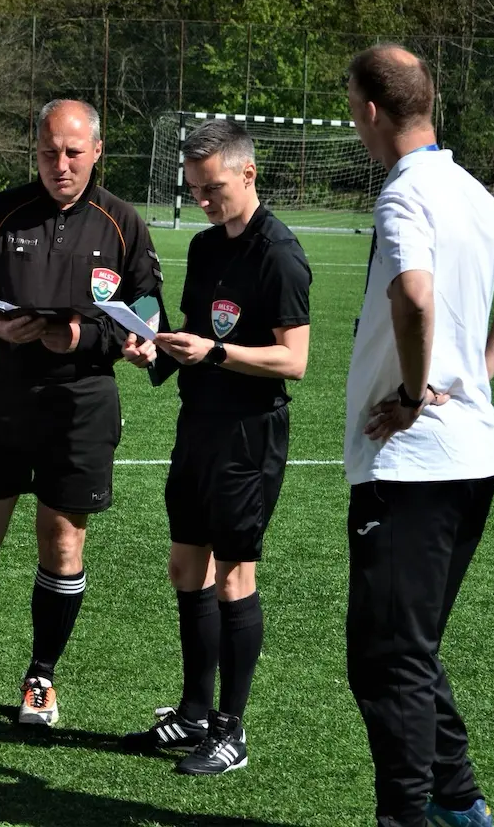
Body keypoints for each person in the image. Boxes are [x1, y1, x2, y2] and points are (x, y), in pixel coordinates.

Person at [0, 98, 168, 727]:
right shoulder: (2, 212)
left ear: (97, 151)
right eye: (49, 152)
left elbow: (148, 311)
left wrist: (87, 339)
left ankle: (41, 679)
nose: (60, 164)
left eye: (73, 152)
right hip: (1, 395)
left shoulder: (122, 222)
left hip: (81, 403)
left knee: (63, 541)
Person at [343, 44, 494, 827]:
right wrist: (477, 374)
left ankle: (405, 816)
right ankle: (458, 804)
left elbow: (415, 297)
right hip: (470, 458)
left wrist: (414, 396)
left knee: (387, 661)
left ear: (370, 110)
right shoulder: (467, 188)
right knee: (405, 648)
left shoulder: (405, 194)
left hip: (413, 465)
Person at [117, 119, 311, 775]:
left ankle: (232, 732)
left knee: (234, 576)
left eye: (213, 188)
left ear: (248, 174)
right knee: (185, 567)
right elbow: (194, 334)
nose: (202, 199)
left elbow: (294, 361)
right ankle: (195, 712)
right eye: (195, 189)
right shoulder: (204, 248)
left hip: (248, 435)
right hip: (197, 423)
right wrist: (155, 348)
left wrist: (217, 353)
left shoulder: (279, 254)